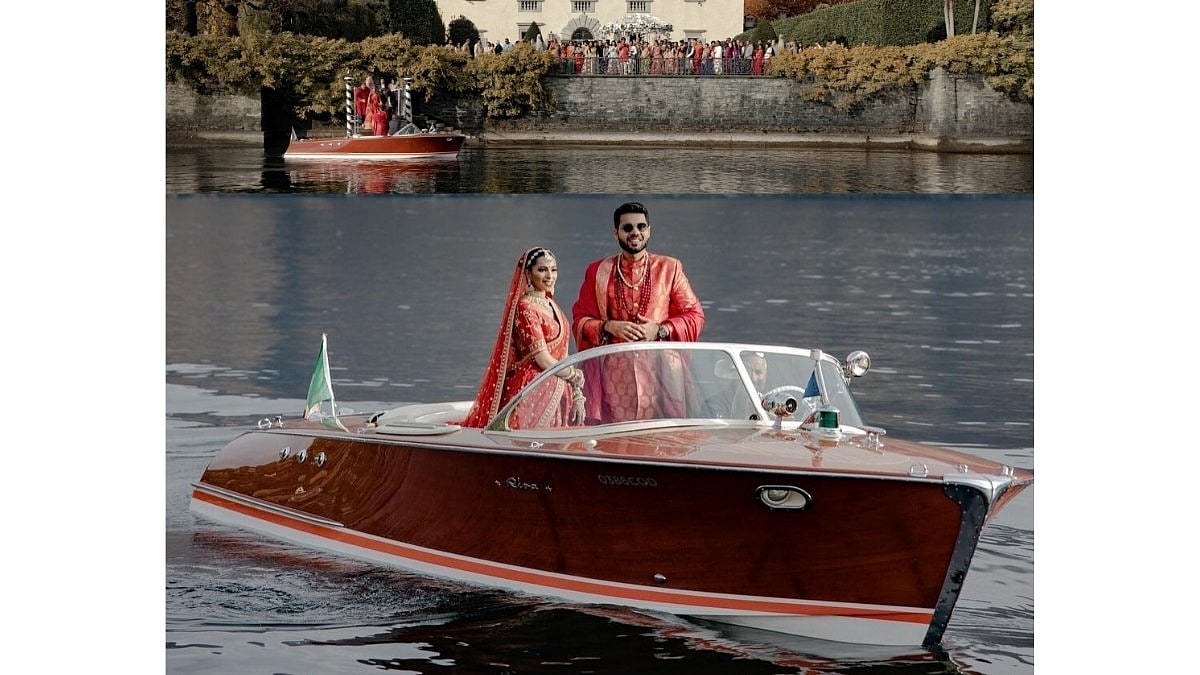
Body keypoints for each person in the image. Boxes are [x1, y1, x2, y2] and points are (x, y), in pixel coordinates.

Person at [571, 201, 706, 423]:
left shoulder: (669, 268)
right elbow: (580, 320)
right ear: (616, 233)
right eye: (628, 228)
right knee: (614, 437)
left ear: (649, 230)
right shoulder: (598, 271)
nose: (635, 233)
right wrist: (607, 326)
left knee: (664, 438)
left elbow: (694, 315)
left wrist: (660, 330)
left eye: (641, 227)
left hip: (661, 371)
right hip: (614, 374)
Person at [462, 247, 585, 429]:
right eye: (542, 270)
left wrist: (576, 391)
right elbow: (542, 359)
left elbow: (562, 355)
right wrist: (573, 376)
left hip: (557, 382)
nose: (549, 275)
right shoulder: (525, 307)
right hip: (533, 387)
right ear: (528, 273)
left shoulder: (552, 305)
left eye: (553, 269)